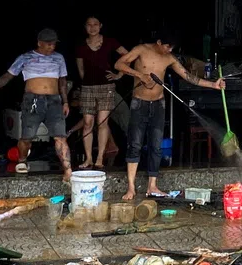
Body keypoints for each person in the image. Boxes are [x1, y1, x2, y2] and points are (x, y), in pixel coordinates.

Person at [116, 33, 224, 200]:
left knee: (156, 145)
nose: (169, 50)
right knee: (135, 144)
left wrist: (213, 84)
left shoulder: (170, 58)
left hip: (159, 104)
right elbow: (119, 64)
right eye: (167, 46)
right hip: (139, 103)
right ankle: (131, 187)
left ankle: (152, 186)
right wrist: (140, 75)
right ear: (159, 42)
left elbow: (188, 76)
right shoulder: (141, 50)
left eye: (172, 48)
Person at [0, 28, 72, 177]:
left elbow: (62, 82)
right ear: (39, 43)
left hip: (54, 101)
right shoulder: (25, 57)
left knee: (60, 136)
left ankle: (68, 170)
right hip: (32, 100)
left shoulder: (59, 58)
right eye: (48, 44)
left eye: (53, 44)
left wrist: (65, 102)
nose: (52, 47)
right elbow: (8, 76)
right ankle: (22, 160)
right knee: (27, 137)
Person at [74, 17, 126, 170]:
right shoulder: (81, 46)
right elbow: (81, 69)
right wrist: (87, 84)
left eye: (95, 24)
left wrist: (119, 74)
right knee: (88, 123)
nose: (92, 27)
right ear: (85, 27)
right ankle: (88, 158)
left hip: (106, 86)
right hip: (88, 88)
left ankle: (99, 158)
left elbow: (128, 56)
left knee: (102, 122)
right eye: (89, 25)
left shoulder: (110, 42)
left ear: (101, 26)